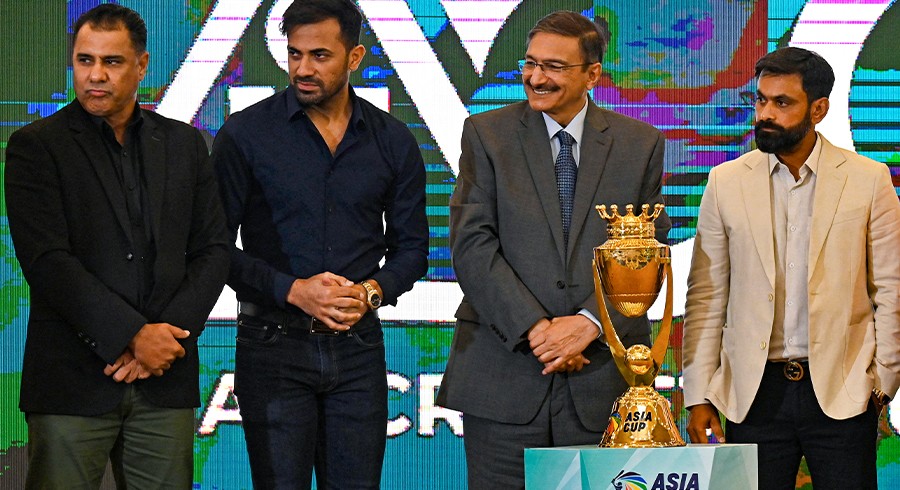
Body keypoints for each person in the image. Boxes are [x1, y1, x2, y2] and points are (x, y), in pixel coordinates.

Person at [437, 10, 670, 488]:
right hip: (504, 376)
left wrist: (587, 325)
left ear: (592, 75)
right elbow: (472, 244)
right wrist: (539, 330)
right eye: (531, 64)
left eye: (554, 67)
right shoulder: (487, 135)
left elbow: (646, 248)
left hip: (601, 378)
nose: (537, 78)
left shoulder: (638, 144)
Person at [3, 4, 230, 488]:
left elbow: (213, 249)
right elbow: (47, 262)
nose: (95, 76)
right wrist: (133, 335)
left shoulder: (186, 146)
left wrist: (165, 339)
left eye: (112, 62)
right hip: (71, 382)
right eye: (85, 61)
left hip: (164, 378)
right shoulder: (36, 147)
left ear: (142, 66)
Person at [210, 0, 428, 487]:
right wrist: (293, 290)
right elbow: (212, 248)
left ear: (355, 57)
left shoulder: (393, 140)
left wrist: (370, 292)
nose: (303, 69)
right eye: (294, 55)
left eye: (320, 56)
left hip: (359, 349)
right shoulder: (245, 134)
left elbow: (413, 249)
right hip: (271, 348)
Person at [683, 46, 900, 489]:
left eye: (782, 103)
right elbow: (706, 296)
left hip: (843, 393)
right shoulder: (725, 181)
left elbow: (891, 290)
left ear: (818, 109)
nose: (765, 113)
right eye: (761, 100)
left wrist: (881, 384)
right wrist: (699, 395)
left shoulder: (868, 178)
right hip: (754, 395)